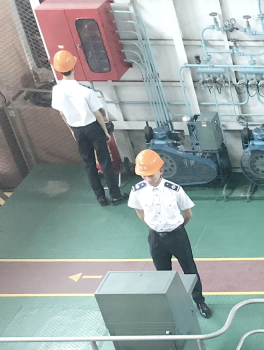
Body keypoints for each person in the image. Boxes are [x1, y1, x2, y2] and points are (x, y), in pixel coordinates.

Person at [128, 149, 212, 318]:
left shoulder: (174, 190)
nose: (148, 179)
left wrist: (175, 227)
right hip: (155, 238)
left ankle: (199, 301)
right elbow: (140, 212)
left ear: (161, 170)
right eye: (144, 176)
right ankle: (172, 304)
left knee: (190, 269)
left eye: (151, 175)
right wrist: (155, 227)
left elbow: (188, 214)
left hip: (177, 236)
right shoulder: (137, 191)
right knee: (163, 274)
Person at [49, 50, 125, 206]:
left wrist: (72, 130)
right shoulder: (85, 91)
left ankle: (100, 198)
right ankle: (115, 196)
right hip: (93, 128)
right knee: (105, 162)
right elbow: (98, 115)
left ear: (58, 69)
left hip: (77, 130)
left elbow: (62, 113)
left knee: (89, 164)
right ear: (73, 67)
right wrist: (105, 132)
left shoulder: (57, 90)